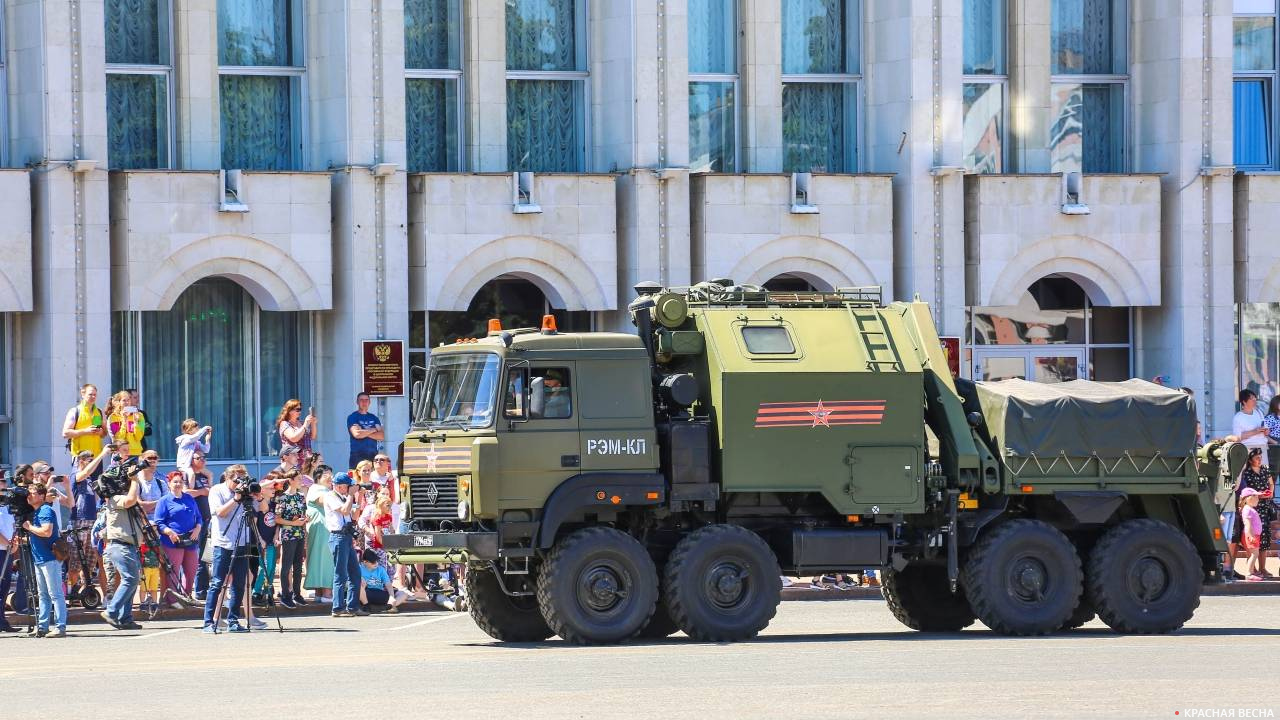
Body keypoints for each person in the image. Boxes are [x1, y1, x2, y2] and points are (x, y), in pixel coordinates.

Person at [203, 469, 255, 633]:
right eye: (236, 481)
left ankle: (233, 620)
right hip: (223, 543)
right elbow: (220, 513)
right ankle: (208, 622)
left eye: (241, 481)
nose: (238, 485)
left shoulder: (244, 492)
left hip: (242, 541)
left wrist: (254, 497)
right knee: (218, 582)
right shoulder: (216, 490)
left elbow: (253, 515)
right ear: (227, 478)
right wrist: (235, 499)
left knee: (239, 583)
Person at [100, 458, 145, 630]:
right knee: (130, 579)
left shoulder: (123, 497)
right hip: (120, 545)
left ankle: (125, 618)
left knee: (132, 582)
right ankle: (111, 611)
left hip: (129, 546)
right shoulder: (114, 498)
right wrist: (134, 479)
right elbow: (131, 500)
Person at [22, 484, 67, 637]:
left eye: (32, 493)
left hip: (49, 559)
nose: (29, 495)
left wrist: (29, 527)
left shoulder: (45, 510)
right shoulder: (36, 512)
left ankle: (60, 627)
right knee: (43, 595)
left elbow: (47, 532)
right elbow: (38, 535)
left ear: (42, 496)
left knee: (55, 594)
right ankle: (43, 626)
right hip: (40, 559)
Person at [68, 448, 110, 601]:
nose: (92, 462)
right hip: (78, 521)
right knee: (75, 562)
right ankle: (72, 591)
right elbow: (84, 473)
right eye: (89, 460)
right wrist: (102, 454)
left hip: (92, 520)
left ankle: (85, 593)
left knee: (90, 562)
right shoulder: (75, 475)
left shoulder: (91, 481)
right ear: (81, 461)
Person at [155, 472, 201, 608]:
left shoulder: (189, 498)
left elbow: (198, 517)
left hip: (190, 540)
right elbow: (159, 522)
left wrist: (198, 528)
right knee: (174, 571)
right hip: (173, 541)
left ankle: (187, 596)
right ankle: (173, 599)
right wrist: (169, 532)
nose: (178, 484)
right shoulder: (164, 501)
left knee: (191, 570)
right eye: (175, 482)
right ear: (169, 484)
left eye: (180, 481)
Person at [325, 472, 367, 617]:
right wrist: (351, 495)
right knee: (340, 574)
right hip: (337, 536)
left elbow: (354, 516)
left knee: (355, 573)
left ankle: (352, 607)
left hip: (347, 536)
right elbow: (344, 511)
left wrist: (359, 496)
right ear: (339, 486)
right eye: (348, 486)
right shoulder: (330, 496)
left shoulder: (344, 497)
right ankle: (337, 608)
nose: (350, 488)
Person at [1232, 448, 1276, 579]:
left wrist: (1270, 492)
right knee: (1251, 540)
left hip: (1264, 507)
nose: (1259, 460)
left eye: (1260, 457)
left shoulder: (1265, 469)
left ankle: (1263, 568)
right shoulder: (1246, 472)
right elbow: (1246, 491)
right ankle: (1253, 569)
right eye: (1257, 457)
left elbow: (1271, 483)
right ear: (1250, 459)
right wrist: (1257, 495)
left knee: (1264, 540)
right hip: (1252, 507)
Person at [275, 470, 308, 608]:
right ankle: (285, 594)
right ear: (291, 480)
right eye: (298, 479)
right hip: (288, 534)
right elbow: (277, 518)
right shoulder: (282, 498)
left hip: (299, 533)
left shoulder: (301, 496)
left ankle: (296, 593)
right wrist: (294, 523)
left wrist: (305, 521)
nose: (301, 481)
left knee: (298, 565)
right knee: (287, 565)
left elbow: (303, 513)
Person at [185, 453, 214, 601]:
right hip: (194, 521)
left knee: (205, 555)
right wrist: (202, 491)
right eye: (198, 458)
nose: (202, 460)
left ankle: (203, 589)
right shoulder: (187, 474)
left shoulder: (204, 475)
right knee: (195, 555)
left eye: (204, 458)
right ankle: (195, 589)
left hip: (207, 518)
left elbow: (211, 492)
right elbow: (186, 493)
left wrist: (209, 477)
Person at [305, 468, 335, 603]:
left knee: (322, 559)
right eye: (325, 475)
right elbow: (323, 501)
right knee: (324, 559)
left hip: (324, 528)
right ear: (317, 477)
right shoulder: (316, 488)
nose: (329, 477)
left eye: (330, 474)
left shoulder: (327, 490)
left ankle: (320, 593)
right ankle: (326, 593)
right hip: (321, 528)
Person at [62, 384, 107, 463]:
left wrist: (100, 432)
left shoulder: (99, 412)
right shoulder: (75, 411)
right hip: (81, 457)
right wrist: (85, 431)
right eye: (90, 394)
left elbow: (104, 434)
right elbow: (65, 433)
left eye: (95, 395)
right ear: (83, 394)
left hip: (96, 457)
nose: (93, 397)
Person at [359, 548, 407, 613]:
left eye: (377, 561)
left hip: (379, 593)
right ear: (365, 562)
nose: (376, 564)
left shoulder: (380, 569)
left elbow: (388, 584)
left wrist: (391, 597)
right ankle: (367, 606)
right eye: (373, 562)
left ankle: (388, 606)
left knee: (403, 594)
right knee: (359, 585)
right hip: (366, 594)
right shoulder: (359, 568)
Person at [347, 392, 384, 468]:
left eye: (366, 400)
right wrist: (374, 429)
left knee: (372, 478)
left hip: (373, 456)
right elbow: (357, 434)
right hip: (357, 456)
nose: (364, 402)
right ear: (357, 402)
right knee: (356, 478)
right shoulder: (352, 417)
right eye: (361, 400)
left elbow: (381, 436)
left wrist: (363, 431)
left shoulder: (374, 418)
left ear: (369, 402)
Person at [106, 390, 146, 456]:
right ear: (119, 402)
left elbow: (139, 437)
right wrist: (124, 420)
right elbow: (119, 437)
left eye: (128, 400)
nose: (127, 402)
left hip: (136, 453)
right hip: (121, 454)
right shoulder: (113, 417)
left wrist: (136, 422)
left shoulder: (140, 415)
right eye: (124, 400)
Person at [1233, 390, 1270, 462]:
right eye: (1252, 399)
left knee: (1264, 472)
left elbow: (1266, 428)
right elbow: (1237, 438)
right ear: (1244, 401)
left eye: (1255, 398)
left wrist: (1266, 431)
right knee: (1250, 472)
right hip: (1249, 449)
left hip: (1262, 447)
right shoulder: (1238, 417)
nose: (1254, 401)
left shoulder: (1259, 412)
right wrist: (1255, 431)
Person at [1241, 487, 1266, 581]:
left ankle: (1251, 572)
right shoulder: (1248, 509)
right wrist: (1250, 535)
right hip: (1251, 535)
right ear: (1249, 498)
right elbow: (1247, 524)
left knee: (1253, 554)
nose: (1258, 499)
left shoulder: (1249, 509)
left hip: (1254, 535)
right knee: (1254, 554)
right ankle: (1249, 573)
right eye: (1256, 497)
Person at [134, 450, 169, 516]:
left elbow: (167, 504)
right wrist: (160, 502)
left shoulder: (161, 483)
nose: (153, 461)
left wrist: (149, 505)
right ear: (142, 461)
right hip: (142, 522)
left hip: (159, 520)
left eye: (155, 458)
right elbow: (140, 507)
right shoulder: (136, 482)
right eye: (149, 458)